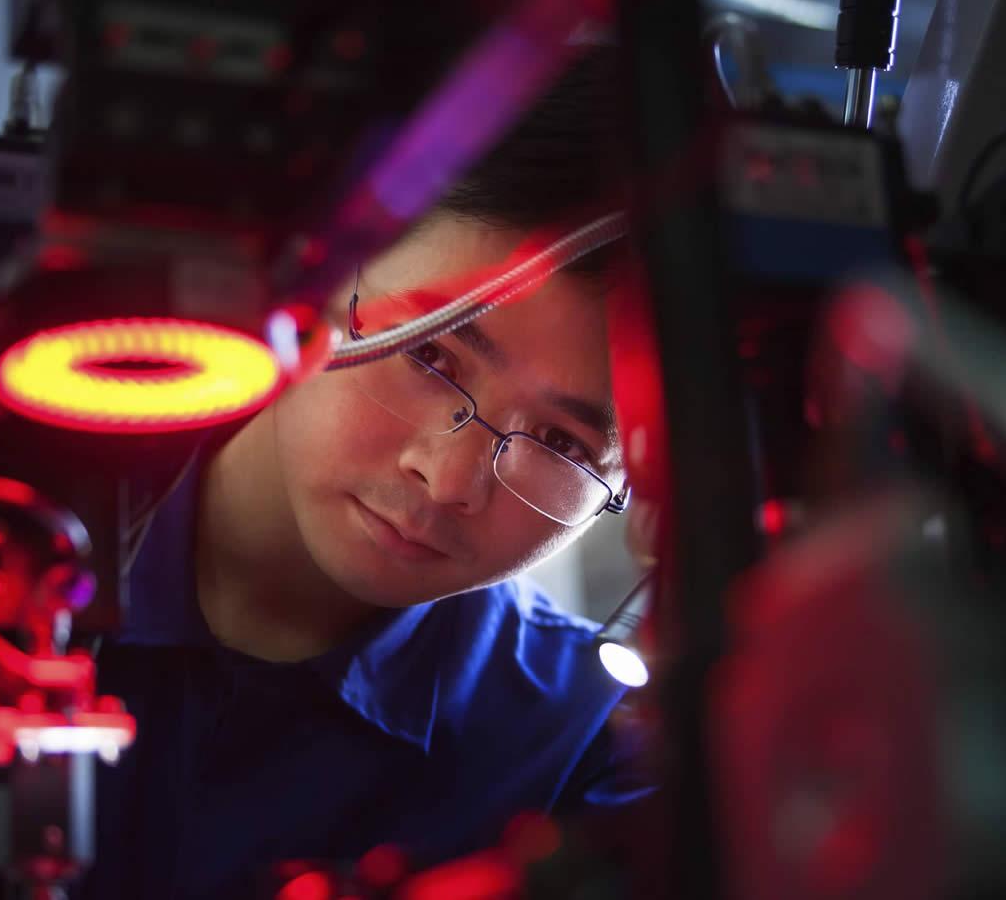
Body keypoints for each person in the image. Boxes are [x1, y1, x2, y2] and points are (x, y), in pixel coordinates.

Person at [79, 48, 655, 898]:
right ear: (309, 267)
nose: (450, 477)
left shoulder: (584, 757)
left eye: (565, 445)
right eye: (431, 353)